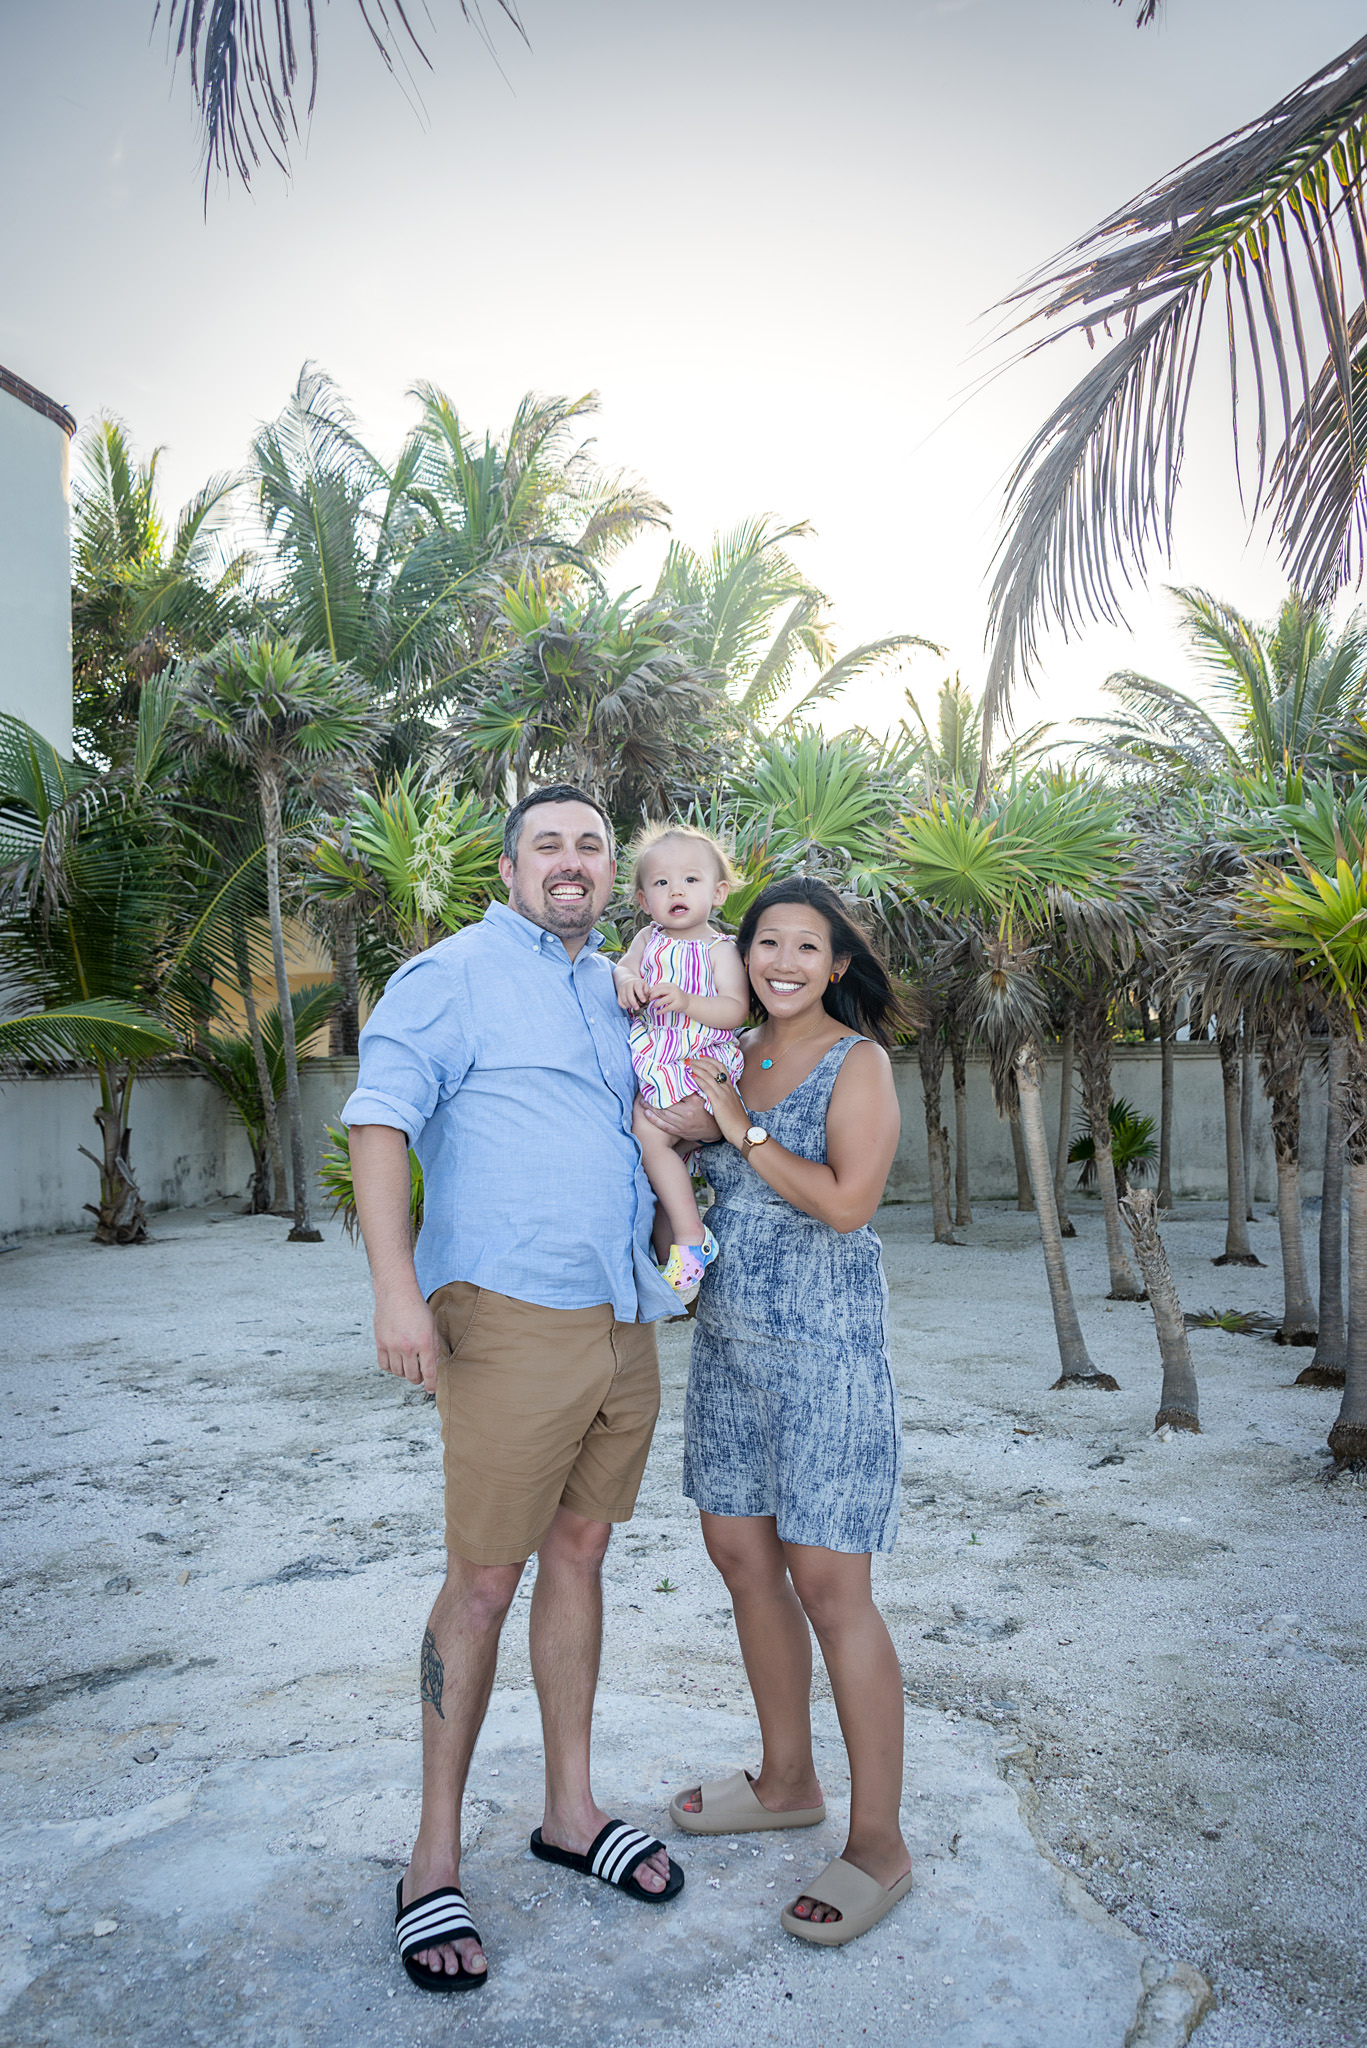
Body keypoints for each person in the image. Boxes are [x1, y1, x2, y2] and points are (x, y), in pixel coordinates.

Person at [343, 785, 704, 1996]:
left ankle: (568, 1811)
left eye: (591, 846)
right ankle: (429, 1860)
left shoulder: (617, 986)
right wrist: (398, 1290)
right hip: (504, 1309)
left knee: (582, 1555)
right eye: (546, 844)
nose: (571, 861)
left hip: (621, 1311)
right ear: (505, 867)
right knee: (483, 1578)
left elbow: (651, 1118)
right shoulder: (446, 974)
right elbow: (381, 1120)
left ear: (613, 872)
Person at [666, 875, 913, 1947]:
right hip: (726, 1349)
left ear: (837, 964)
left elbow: (849, 1201)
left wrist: (737, 1127)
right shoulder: (727, 1048)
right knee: (739, 1558)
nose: (779, 961)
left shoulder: (856, 1063)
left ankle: (877, 1842)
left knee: (828, 1583)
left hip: (825, 1359)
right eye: (765, 941)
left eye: (803, 947)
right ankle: (784, 1778)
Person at [612, 825, 749, 1300]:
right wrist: (625, 978)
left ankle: (692, 1239)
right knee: (658, 1155)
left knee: (648, 1138)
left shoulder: (720, 949)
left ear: (718, 892)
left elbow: (735, 1009)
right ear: (644, 899)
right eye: (662, 883)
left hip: (694, 1062)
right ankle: (675, 1253)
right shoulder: (646, 940)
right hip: (657, 1061)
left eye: (691, 880)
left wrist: (689, 1001)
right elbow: (623, 967)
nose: (676, 891)